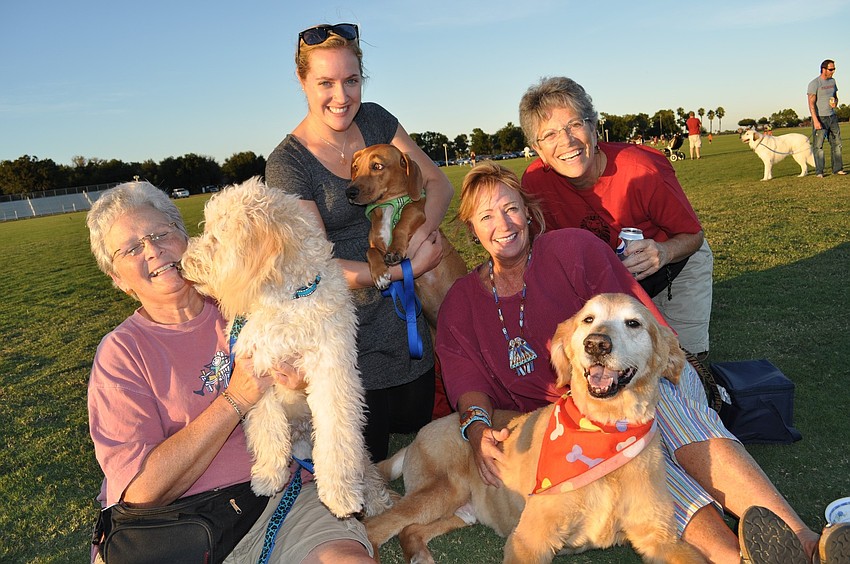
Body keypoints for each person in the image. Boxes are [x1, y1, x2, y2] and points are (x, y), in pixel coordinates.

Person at [435, 162, 848, 564]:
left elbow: (641, 326)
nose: (503, 224)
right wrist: (475, 427)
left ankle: (804, 541)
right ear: (471, 227)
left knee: (648, 416)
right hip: (572, 416)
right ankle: (733, 558)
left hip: (644, 379)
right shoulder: (462, 302)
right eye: (487, 215)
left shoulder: (572, 249)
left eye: (510, 209)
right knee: (636, 461)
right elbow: (464, 375)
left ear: (528, 212)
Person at [86, 181, 376, 563]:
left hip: (284, 502)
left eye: (160, 234)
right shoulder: (121, 354)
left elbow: (331, 385)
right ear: (118, 280)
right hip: (178, 526)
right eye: (132, 248)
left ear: (185, 236)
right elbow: (141, 493)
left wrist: (305, 384)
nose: (153, 250)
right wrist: (237, 397)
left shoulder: (261, 296)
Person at [264, 23, 453, 462]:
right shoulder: (288, 164)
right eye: (325, 83)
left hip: (410, 326)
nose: (342, 97)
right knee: (369, 453)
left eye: (351, 81)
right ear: (302, 81)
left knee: (418, 421)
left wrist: (419, 238)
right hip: (349, 335)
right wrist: (401, 272)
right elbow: (316, 267)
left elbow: (437, 183)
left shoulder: (375, 120)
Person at [520, 76, 713, 359]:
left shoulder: (642, 169)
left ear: (594, 127)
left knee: (682, 362)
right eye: (549, 135)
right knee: (617, 363)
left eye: (574, 124)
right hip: (609, 282)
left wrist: (663, 251)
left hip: (674, 265)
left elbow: (693, 235)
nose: (567, 140)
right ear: (538, 150)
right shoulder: (536, 184)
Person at [807, 59, 846, 177]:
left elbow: (835, 96)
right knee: (818, 146)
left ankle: (838, 169)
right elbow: (811, 103)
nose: (833, 71)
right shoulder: (814, 83)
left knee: (837, 144)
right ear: (823, 69)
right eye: (831, 69)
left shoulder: (833, 81)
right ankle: (820, 172)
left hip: (832, 117)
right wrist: (816, 120)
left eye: (834, 69)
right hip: (820, 118)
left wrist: (836, 103)